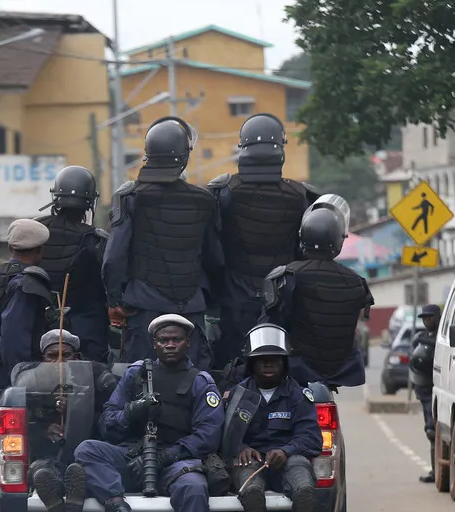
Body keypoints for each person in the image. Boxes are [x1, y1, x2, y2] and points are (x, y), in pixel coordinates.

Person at [73, 314, 223, 512]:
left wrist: (170, 454)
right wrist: (132, 412)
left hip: (176, 460)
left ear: (188, 343)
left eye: (176, 340)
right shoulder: (135, 375)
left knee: (194, 488)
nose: (170, 345)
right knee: (87, 450)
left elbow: (208, 434)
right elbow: (108, 422)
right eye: (163, 340)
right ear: (154, 343)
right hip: (134, 454)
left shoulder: (200, 382)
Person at [101, 116, 224, 370]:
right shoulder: (205, 201)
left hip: (144, 309)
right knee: (197, 385)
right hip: (191, 308)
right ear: (184, 156)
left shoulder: (130, 197)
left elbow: (113, 258)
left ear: (148, 154)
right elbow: (216, 260)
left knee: (138, 384)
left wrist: (114, 302)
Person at [207, 113, 319, 369]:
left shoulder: (221, 191)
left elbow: (209, 249)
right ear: (280, 148)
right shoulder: (303, 195)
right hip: (283, 302)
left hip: (232, 302)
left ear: (243, 147)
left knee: (227, 373)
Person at [260, 194, 374, 389]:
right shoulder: (357, 282)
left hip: (296, 371)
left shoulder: (286, 276)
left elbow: (267, 326)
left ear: (303, 236)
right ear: (338, 240)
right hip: (342, 372)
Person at [232, 324, 321, 512]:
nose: (269, 363)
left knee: (301, 474)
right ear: (252, 363)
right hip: (253, 461)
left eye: (275, 358)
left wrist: (286, 451)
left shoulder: (297, 395)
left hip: (287, 458)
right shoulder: (238, 394)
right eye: (262, 359)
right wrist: (241, 447)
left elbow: (312, 437)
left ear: (284, 363)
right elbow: (223, 436)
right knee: (247, 476)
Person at [22, 328, 119, 512]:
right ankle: (55, 496)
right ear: (43, 358)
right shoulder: (32, 382)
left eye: (66, 355)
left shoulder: (94, 374)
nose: (59, 361)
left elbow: (111, 412)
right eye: (52, 356)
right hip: (50, 453)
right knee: (44, 469)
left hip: (86, 450)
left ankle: (74, 490)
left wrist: (75, 407)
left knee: (80, 468)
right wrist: (43, 429)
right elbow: (24, 424)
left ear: (76, 356)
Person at [0, 218, 57, 397]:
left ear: (11, 248)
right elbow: (14, 336)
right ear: (40, 250)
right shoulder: (26, 284)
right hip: (17, 381)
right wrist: (24, 378)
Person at [36, 165, 111, 363]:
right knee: (95, 377)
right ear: (90, 202)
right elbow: (109, 283)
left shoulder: (36, 229)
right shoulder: (96, 239)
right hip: (86, 327)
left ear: (55, 196)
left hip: (39, 325)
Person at [409, 305, 441, 483]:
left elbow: (439, 347)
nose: (427, 321)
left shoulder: (442, 336)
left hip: (436, 387)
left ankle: (439, 471)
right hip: (423, 387)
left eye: (430, 317)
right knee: (430, 431)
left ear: (437, 317)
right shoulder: (420, 337)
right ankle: (435, 471)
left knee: (433, 430)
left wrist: (423, 341)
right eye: (424, 318)